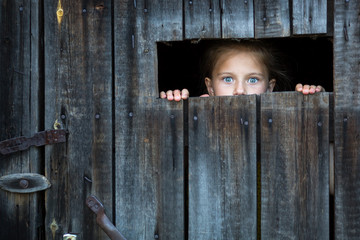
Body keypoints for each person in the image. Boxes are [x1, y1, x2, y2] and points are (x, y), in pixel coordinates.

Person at [160, 40, 324, 101]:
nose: (239, 90)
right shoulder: (201, 109)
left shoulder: (280, 114)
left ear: (269, 87)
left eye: (253, 80)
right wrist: (176, 104)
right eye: (228, 79)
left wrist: (314, 100)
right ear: (210, 88)